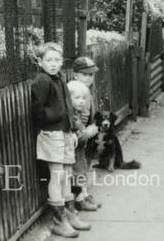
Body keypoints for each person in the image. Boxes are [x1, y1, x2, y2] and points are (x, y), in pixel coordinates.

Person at [30, 42, 90, 237]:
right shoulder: (42, 80)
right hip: (51, 133)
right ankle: (58, 220)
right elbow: (37, 110)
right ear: (39, 61)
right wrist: (48, 124)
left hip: (64, 132)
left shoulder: (59, 79)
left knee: (66, 173)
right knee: (57, 176)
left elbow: (67, 108)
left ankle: (69, 214)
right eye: (49, 60)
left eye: (57, 60)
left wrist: (71, 130)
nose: (54, 64)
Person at [68, 56, 101, 212]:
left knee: (83, 165)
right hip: (76, 135)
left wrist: (93, 126)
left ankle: (84, 194)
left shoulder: (87, 90)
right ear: (75, 75)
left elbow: (90, 114)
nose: (89, 78)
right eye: (85, 74)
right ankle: (80, 198)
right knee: (77, 168)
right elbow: (74, 117)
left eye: (91, 75)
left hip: (85, 134)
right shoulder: (73, 90)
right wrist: (85, 132)